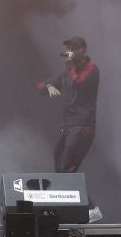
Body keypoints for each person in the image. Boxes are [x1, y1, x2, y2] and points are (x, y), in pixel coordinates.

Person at [40, 37, 100, 173]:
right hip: (68, 125)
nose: (70, 51)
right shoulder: (68, 73)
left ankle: (72, 192)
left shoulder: (91, 69)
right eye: (69, 48)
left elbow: (78, 82)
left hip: (82, 125)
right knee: (58, 155)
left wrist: (69, 65)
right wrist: (47, 86)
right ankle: (65, 191)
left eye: (74, 48)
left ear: (83, 51)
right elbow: (42, 86)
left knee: (66, 165)